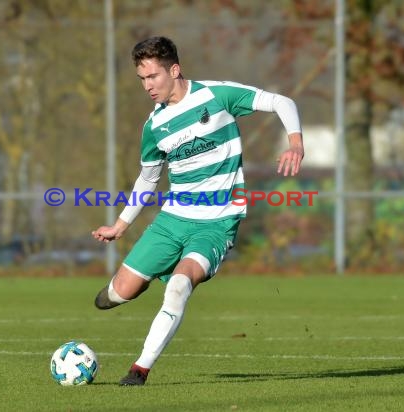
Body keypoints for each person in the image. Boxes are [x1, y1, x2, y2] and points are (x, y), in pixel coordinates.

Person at [91, 36, 304, 385]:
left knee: (178, 285)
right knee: (118, 293)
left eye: (153, 76)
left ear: (174, 70)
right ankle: (138, 281)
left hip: (217, 223)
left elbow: (282, 102)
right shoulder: (155, 126)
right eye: (142, 79)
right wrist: (120, 224)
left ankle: (139, 369)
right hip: (173, 219)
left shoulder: (217, 95)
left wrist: (295, 142)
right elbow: (147, 180)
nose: (148, 86)